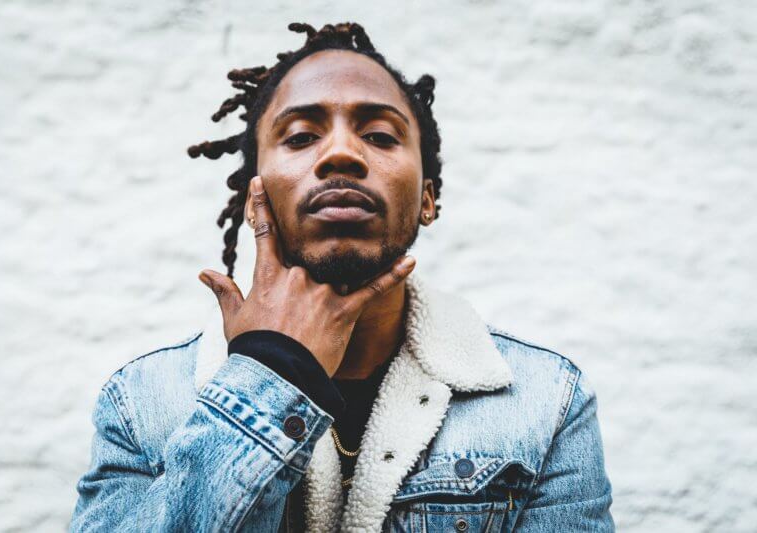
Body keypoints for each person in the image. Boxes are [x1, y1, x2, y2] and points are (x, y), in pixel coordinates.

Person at [70, 21, 614, 532]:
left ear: (427, 198)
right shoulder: (141, 402)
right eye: (300, 136)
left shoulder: (546, 400)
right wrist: (270, 374)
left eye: (379, 135)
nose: (341, 154)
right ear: (255, 194)